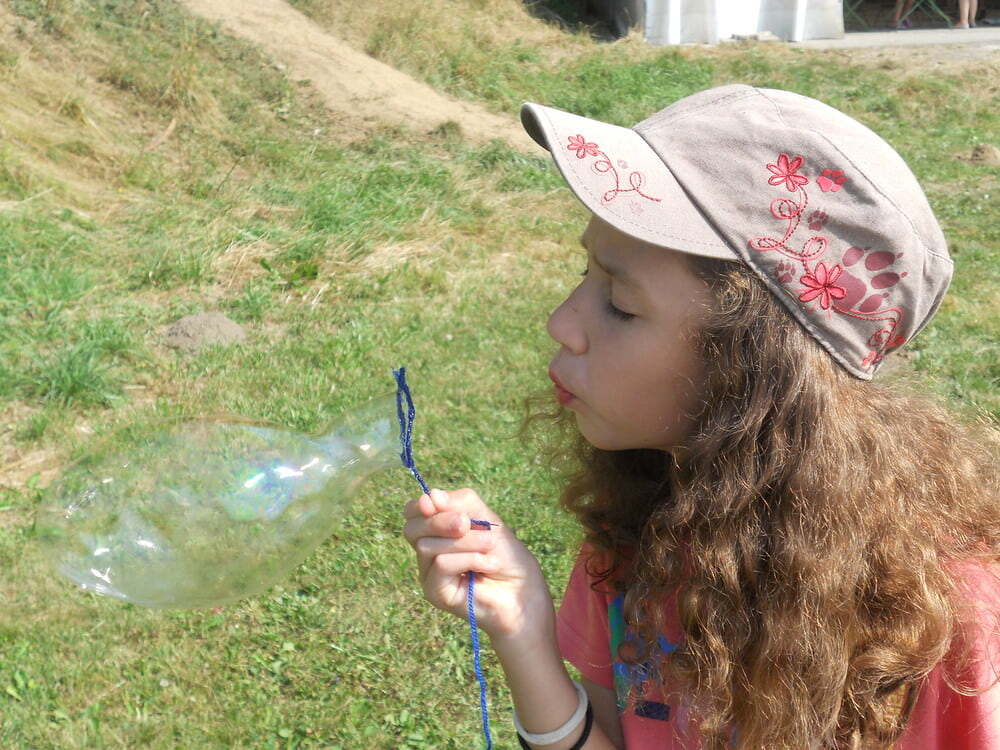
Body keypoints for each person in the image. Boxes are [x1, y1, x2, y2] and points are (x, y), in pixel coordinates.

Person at [402, 84, 1000, 749]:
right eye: (585, 272)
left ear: (750, 368)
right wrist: (521, 630)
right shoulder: (637, 539)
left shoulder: (942, 625)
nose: (561, 322)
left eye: (621, 304)